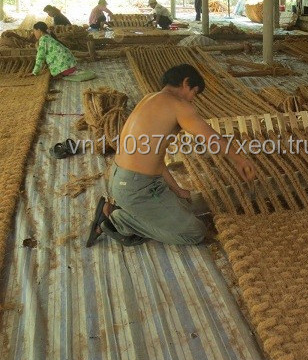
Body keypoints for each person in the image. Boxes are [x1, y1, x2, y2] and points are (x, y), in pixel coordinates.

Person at [87, 64, 256, 247]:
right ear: (186, 83)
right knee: (195, 233)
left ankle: (123, 208)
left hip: (123, 180)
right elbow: (212, 139)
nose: (193, 100)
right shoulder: (178, 105)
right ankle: (116, 221)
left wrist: (176, 189)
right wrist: (240, 160)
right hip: (137, 187)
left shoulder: (149, 99)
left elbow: (156, 159)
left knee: (186, 206)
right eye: (194, 93)